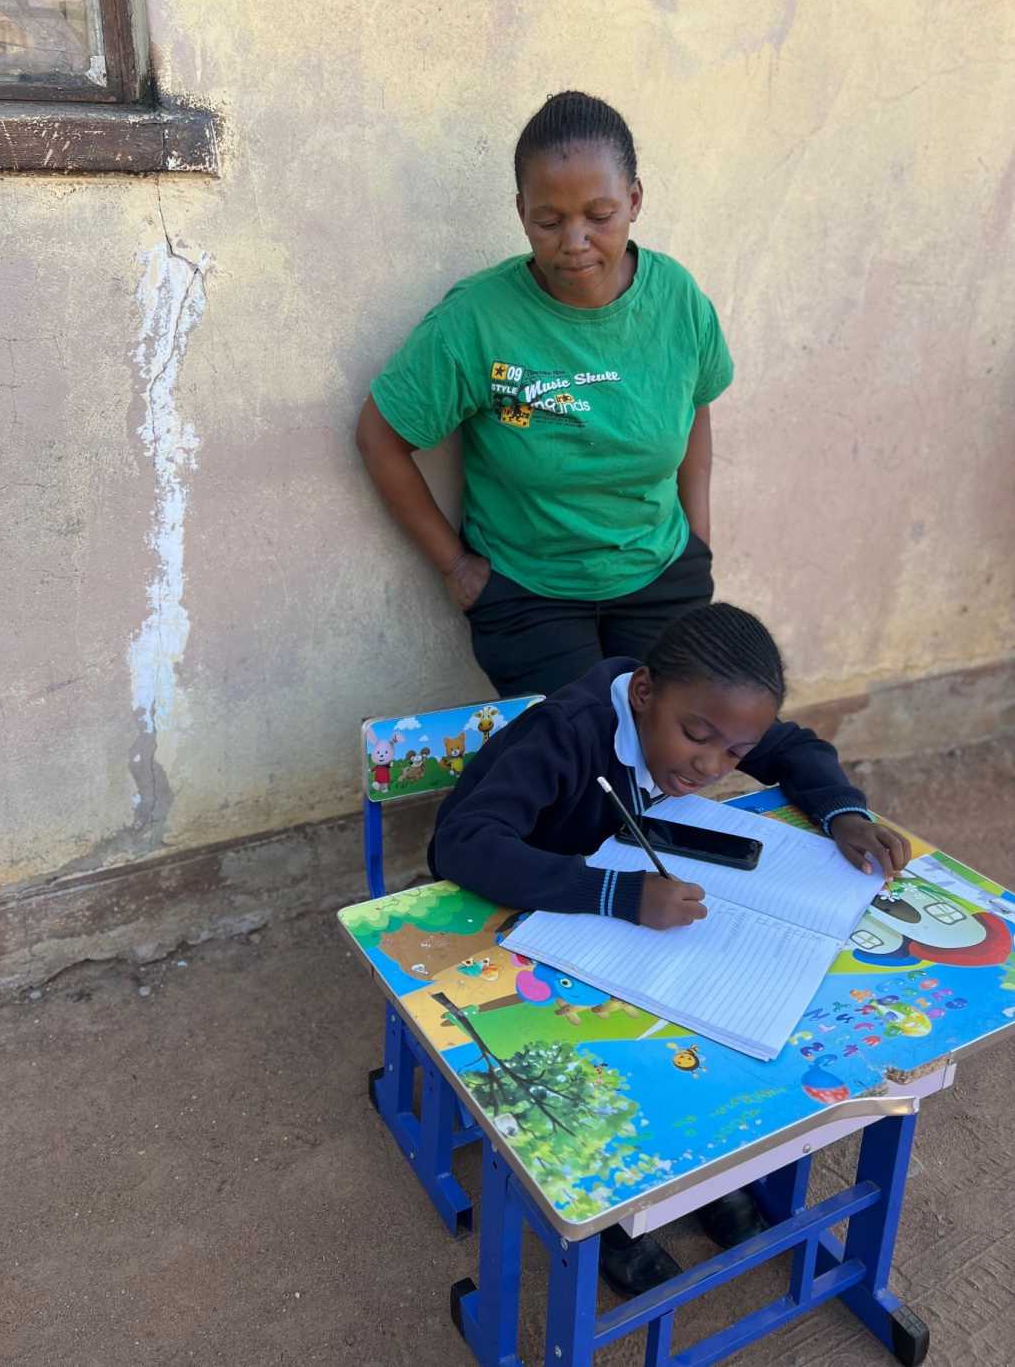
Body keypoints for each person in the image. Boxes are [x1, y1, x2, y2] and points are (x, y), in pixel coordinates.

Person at [428, 603, 912, 1296]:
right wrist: (615, 894)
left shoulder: (713, 710)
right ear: (644, 692)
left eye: (735, 753)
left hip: (620, 917)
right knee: (596, 1050)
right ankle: (613, 1213)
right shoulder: (565, 733)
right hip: (523, 914)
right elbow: (460, 844)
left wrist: (843, 811)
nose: (711, 766)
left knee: (698, 1023)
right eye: (696, 737)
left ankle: (700, 1173)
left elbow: (796, 747)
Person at [357, 90, 728, 698]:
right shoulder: (478, 319)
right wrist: (455, 566)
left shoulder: (677, 299)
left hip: (660, 573)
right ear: (522, 212)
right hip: (530, 595)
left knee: (666, 740)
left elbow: (696, 408)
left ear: (635, 200)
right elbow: (380, 437)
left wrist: (699, 541)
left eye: (599, 215)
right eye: (549, 222)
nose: (574, 240)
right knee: (577, 748)